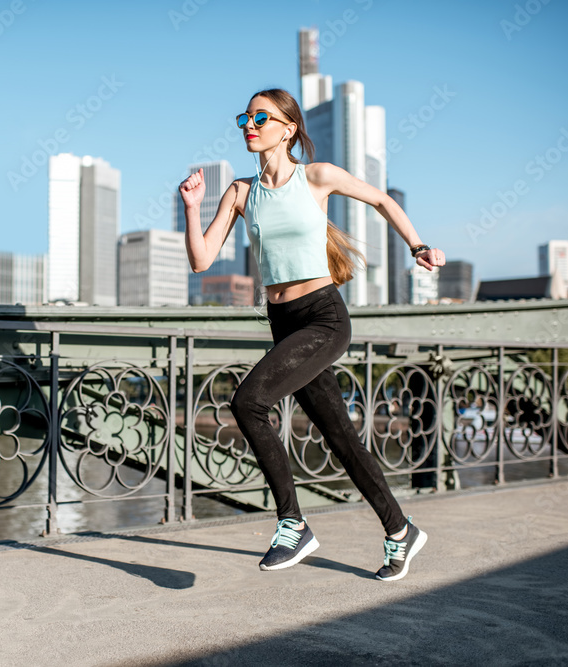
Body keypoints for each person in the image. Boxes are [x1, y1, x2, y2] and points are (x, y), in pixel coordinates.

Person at [179, 88, 445, 581]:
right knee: (341, 437)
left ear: (288, 127)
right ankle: (400, 532)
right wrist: (193, 208)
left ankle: (292, 523)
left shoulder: (316, 177)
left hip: (324, 318)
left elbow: (382, 200)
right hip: (284, 323)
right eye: (244, 117)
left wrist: (419, 245)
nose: (248, 124)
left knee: (248, 402)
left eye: (260, 117)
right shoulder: (240, 192)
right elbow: (201, 261)